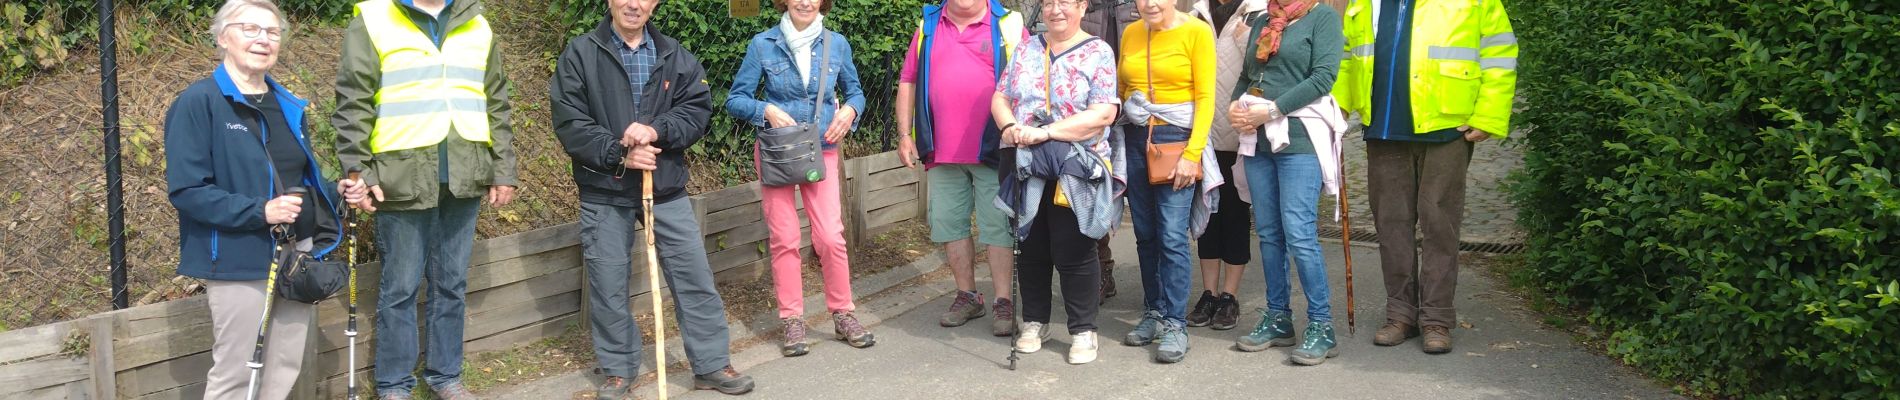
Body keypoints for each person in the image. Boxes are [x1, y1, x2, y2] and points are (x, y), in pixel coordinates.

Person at [549, 0, 757, 397]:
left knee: (694, 277)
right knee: (608, 283)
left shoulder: (674, 54)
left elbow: (697, 111)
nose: (634, 4)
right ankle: (618, 370)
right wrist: (618, 152)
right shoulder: (580, 53)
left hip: (665, 188)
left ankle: (712, 364)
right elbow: (570, 121)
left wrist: (655, 129)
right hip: (604, 190)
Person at [332, 0, 518, 397]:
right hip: (401, 175)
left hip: (465, 174)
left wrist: (502, 168)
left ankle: (445, 377)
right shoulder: (375, 17)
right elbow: (353, 100)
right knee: (399, 287)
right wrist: (358, 171)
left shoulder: (477, 22)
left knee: (451, 284)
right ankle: (394, 384)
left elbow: (496, 103)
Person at [165, 2, 341, 398]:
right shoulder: (198, 103)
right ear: (223, 37)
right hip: (237, 256)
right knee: (237, 373)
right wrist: (260, 211)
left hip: (298, 252)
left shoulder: (288, 104)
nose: (263, 38)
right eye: (250, 29)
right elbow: (187, 190)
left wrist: (338, 194)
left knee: (283, 366)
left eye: (273, 31)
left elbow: (298, 177)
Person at [1333, 0, 1517, 354]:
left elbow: (1500, 53)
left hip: (1447, 127)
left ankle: (1436, 317)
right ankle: (1400, 313)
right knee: (1391, 226)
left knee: (1440, 226)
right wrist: (1338, 109)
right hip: (1383, 128)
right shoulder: (1364, 3)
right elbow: (1347, 59)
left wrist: (1488, 114)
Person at [724, 0, 875, 357]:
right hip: (777, 152)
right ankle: (792, 319)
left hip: (821, 149)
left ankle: (843, 313)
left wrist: (851, 111)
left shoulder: (836, 44)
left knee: (830, 237)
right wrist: (766, 110)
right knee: (785, 238)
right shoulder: (762, 44)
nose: (805, 1)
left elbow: (856, 92)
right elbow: (735, 99)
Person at [992, 0, 1122, 365]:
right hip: (1024, 160)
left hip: (1074, 165)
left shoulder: (1099, 51)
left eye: (1065, 1)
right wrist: (1009, 127)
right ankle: (1034, 321)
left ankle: (1083, 329)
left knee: (1074, 247)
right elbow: (1001, 96)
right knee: (1029, 244)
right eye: (1048, 2)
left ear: (1082, 6)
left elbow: (1103, 113)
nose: (1055, 10)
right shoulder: (1026, 47)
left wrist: (1046, 132)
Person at [896, 0, 1032, 337]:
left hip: (994, 148)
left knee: (998, 227)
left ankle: (1004, 301)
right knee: (949, 226)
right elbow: (908, 81)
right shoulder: (927, 26)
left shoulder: (1009, 26)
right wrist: (903, 134)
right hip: (941, 150)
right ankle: (968, 295)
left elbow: (1033, 80)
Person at [1224, 0, 1347, 366]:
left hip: (1300, 141)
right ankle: (1278, 317)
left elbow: (1323, 77)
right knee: (1269, 232)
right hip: (1259, 141)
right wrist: (1235, 107)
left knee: (1299, 233)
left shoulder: (1322, 17)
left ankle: (1322, 325)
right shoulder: (1264, 19)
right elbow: (1247, 78)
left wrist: (1273, 110)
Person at [1117, 0, 1214, 364]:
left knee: (1172, 235)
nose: (1150, 3)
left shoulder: (1196, 32)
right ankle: (1153, 313)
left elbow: (1206, 99)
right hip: (1136, 139)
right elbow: (1123, 85)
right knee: (1145, 233)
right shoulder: (1130, 32)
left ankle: (1176, 323)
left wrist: (1193, 154)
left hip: (1177, 139)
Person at [1181, 0, 1264, 331]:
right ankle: (1209, 293)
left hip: (1239, 133)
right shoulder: (1195, 14)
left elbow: (1269, 67)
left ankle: (1230, 296)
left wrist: (1249, 40)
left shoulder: (1257, 14)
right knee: (1206, 214)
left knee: (1234, 214)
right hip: (1202, 135)